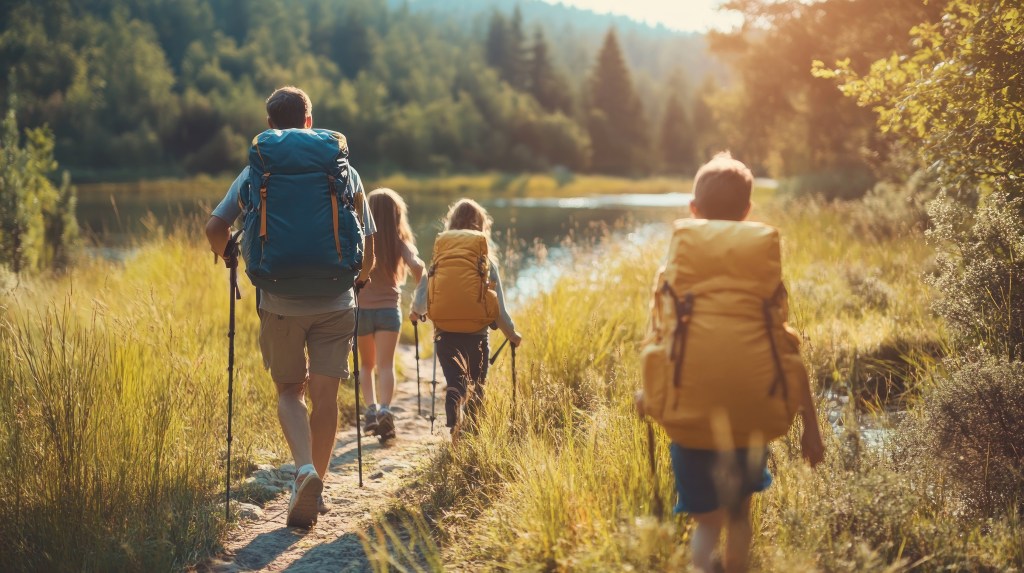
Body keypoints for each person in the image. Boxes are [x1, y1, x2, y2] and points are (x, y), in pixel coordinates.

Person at [636, 152, 825, 573]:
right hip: (750, 414)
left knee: (706, 524)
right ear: (747, 211)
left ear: (693, 210)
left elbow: (659, 340)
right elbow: (787, 348)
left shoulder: (672, 271)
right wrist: (811, 427)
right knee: (738, 516)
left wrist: (647, 395)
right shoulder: (764, 272)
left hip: (688, 414)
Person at [205, 86, 375, 527]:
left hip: (279, 301)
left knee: (289, 391)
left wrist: (229, 255)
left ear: (269, 125)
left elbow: (215, 227)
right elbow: (368, 243)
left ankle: (302, 472)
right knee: (325, 395)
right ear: (308, 121)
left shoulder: (257, 170)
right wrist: (359, 279)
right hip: (337, 299)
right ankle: (317, 484)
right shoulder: (343, 169)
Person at [410, 199, 522, 440]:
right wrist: (511, 334)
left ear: (451, 224)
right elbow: (498, 308)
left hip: (445, 335)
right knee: (477, 388)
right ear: (482, 228)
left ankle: (454, 401)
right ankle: (470, 437)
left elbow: (422, 298)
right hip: (477, 336)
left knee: (456, 382)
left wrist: (415, 312)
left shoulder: (439, 258)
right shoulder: (486, 263)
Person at [357, 188, 425, 439]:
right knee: (386, 365)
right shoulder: (399, 243)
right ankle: (385, 410)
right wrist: (419, 298)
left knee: (366, 365)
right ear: (397, 215)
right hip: (388, 311)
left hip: (361, 311)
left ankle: (371, 411)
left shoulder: (361, 242)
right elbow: (418, 267)